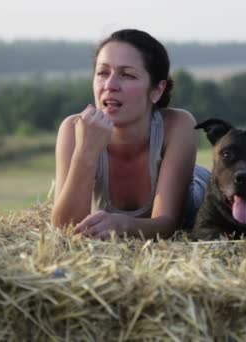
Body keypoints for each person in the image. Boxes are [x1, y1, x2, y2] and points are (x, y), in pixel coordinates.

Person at [52, 29, 209, 240]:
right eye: (102, 73)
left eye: (127, 75)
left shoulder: (178, 125)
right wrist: (86, 154)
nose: (110, 85)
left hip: (196, 181)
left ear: (157, 91)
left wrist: (124, 225)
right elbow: (65, 229)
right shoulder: (73, 129)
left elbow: (168, 224)